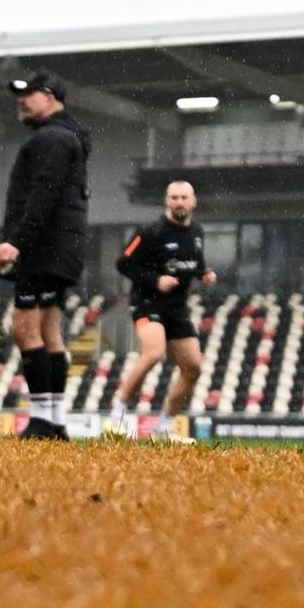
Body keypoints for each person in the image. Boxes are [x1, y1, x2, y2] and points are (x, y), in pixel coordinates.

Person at [0, 71, 91, 439]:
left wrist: (16, 241)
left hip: (43, 247)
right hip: (63, 246)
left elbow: (42, 194)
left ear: (51, 98)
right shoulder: (68, 136)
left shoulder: (50, 139)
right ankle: (54, 420)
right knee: (50, 333)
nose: (22, 100)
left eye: (30, 94)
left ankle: (40, 419)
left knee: (25, 329)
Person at [112, 179, 218, 426]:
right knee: (154, 353)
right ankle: (119, 409)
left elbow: (194, 262)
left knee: (193, 367)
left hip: (177, 308)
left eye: (183, 197)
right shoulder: (151, 231)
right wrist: (155, 280)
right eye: (174, 198)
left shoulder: (197, 233)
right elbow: (123, 263)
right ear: (167, 201)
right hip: (148, 302)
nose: (179, 202)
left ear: (193, 202)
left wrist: (204, 274)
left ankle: (165, 425)